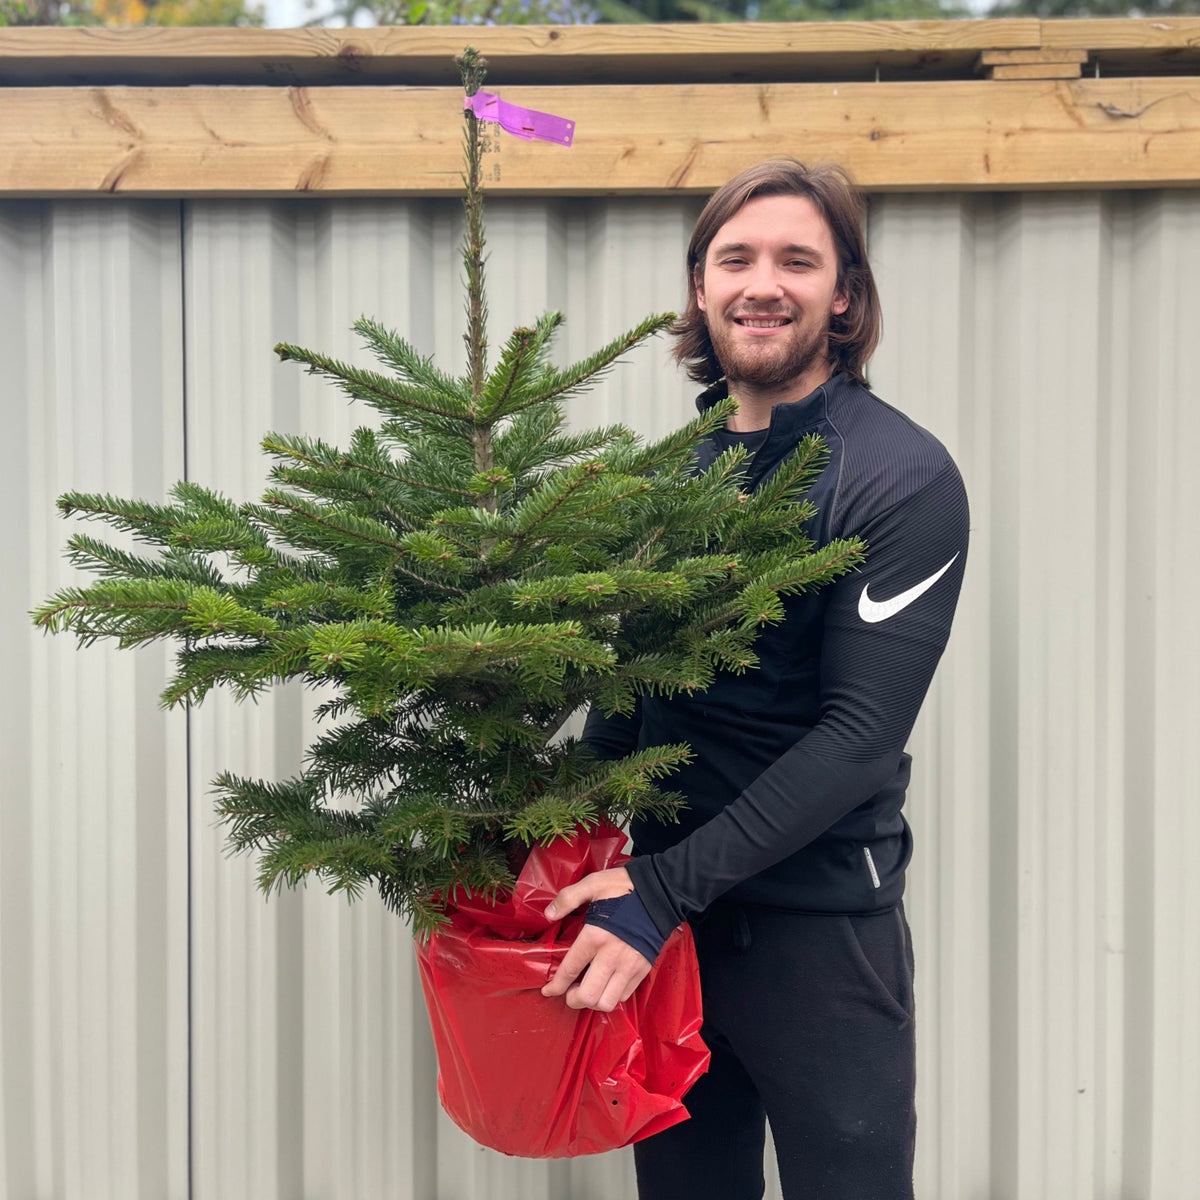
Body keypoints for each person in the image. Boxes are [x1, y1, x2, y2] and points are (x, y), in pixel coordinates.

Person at [540, 159, 969, 1200]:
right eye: (735, 258)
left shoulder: (900, 477)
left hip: (820, 941)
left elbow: (858, 735)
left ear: (846, 296)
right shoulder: (664, 482)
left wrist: (661, 891)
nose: (761, 283)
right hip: (668, 940)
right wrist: (545, 825)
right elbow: (631, 708)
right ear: (700, 288)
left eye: (797, 260)